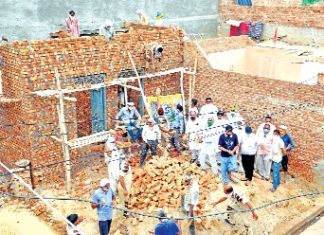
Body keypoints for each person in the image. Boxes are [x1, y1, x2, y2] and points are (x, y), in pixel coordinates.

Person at [104, 128, 125, 193]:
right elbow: (118, 144)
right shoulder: (111, 139)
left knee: (113, 179)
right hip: (113, 161)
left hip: (114, 160)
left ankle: (113, 193)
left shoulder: (116, 138)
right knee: (116, 177)